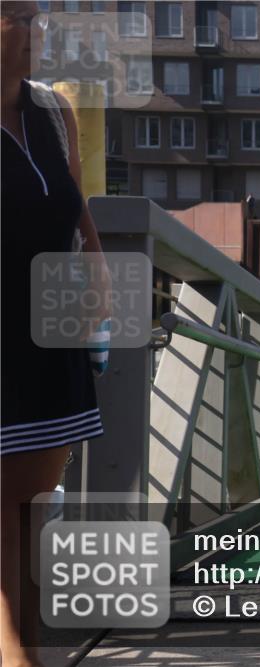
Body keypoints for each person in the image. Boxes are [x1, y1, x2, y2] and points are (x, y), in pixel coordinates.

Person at [2, 3, 109, 663]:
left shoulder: (51, 110)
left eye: (37, 17)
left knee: (30, 512)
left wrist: (97, 267)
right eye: (19, 17)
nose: (36, 31)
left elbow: (75, 201)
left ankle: (28, 648)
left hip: (51, 336)